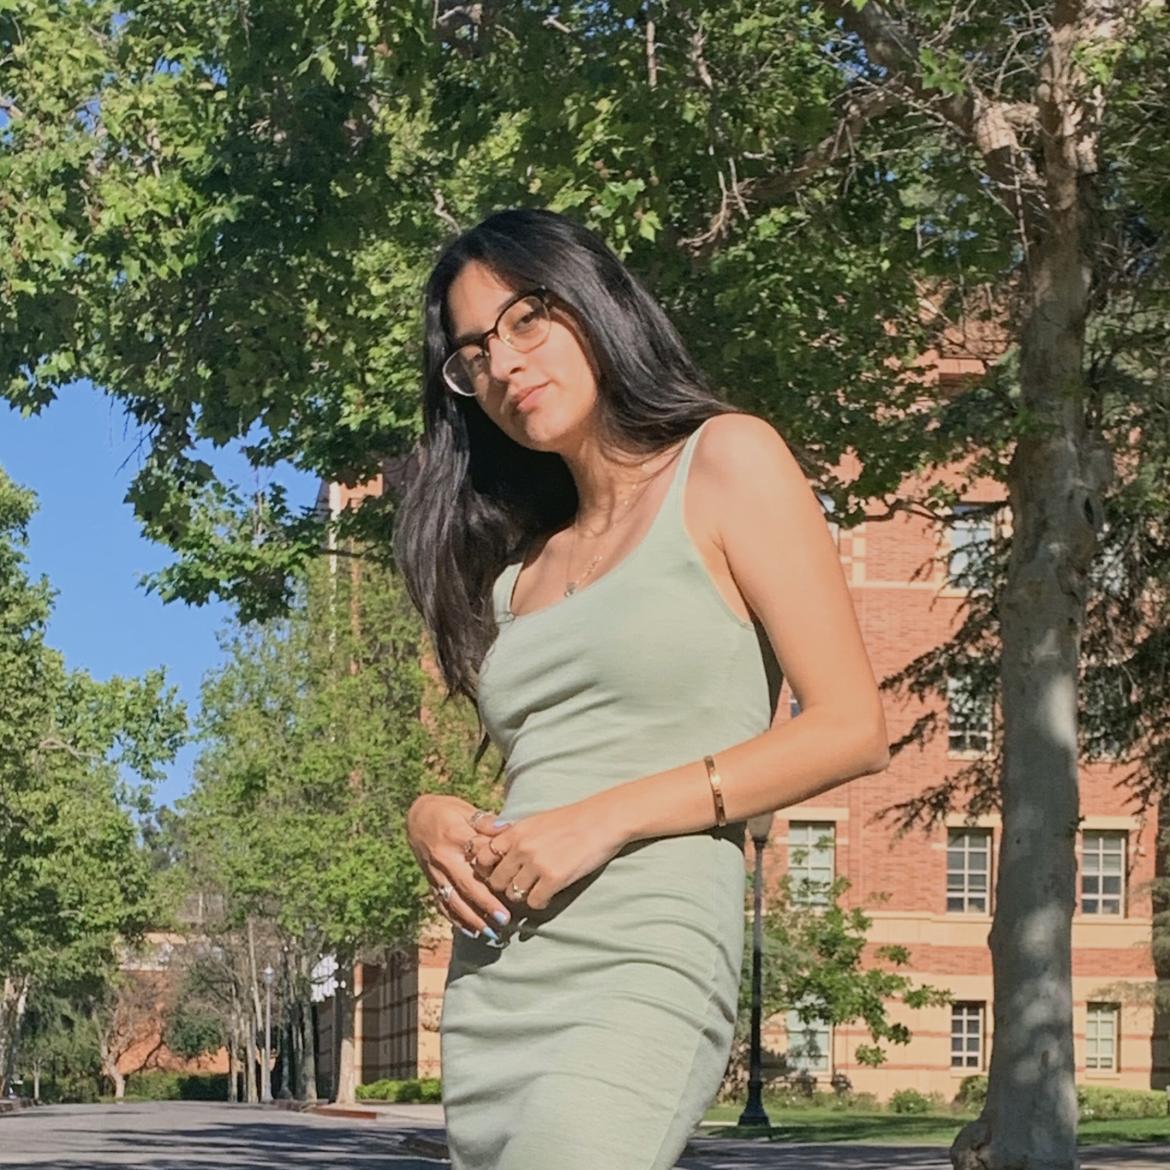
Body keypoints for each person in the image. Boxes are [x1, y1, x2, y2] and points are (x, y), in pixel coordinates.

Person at [396, 207, 888, 1170]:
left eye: (527, 318)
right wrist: (429, 816)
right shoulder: (517, 569)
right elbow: (545, 768)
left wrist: (607, 818)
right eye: (472, 352)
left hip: (648, 950)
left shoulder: (726, 460)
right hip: (500, 975)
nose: (503, 363)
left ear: (594, 302)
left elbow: (850, 728)